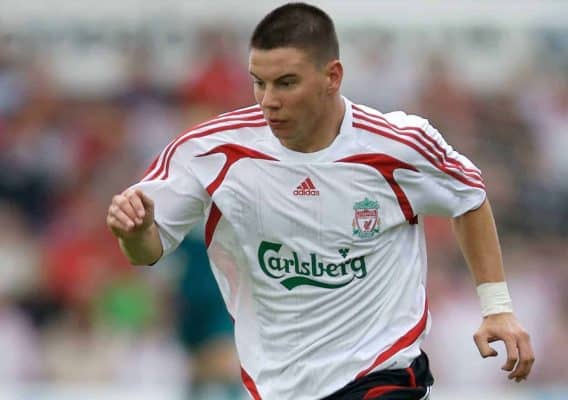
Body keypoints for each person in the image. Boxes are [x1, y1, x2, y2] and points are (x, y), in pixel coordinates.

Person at [106, 3, 535, 399]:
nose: (269, 100)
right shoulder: (211, 151)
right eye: (259, 83)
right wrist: (135, 231)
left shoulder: (398, 145)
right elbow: (146, 252)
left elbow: (468, 197)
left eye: (286, 83)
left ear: (332, 76)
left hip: (381, 371)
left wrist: (497, 308)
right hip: (278, 383)